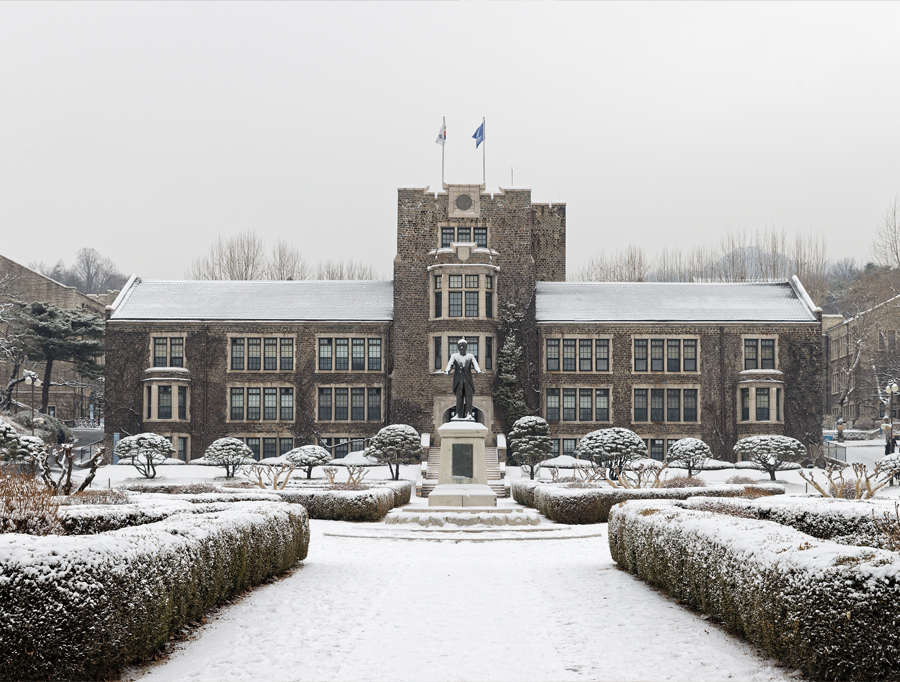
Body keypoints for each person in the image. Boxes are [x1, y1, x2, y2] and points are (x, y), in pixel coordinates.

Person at [444, 338, 482, 420]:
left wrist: (478, 370)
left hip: (468, 380)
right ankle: (458, 414)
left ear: (466, 347)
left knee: (469, 397)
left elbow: (475, 364)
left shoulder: (470, 356)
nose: (462, 348)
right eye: (460, 346)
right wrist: (447, 370)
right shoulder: (454, 356)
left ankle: (469, 414)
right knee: (459, 397)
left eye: (464, 346)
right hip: (458, 381)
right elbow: (450, 364)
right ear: (458, 347)